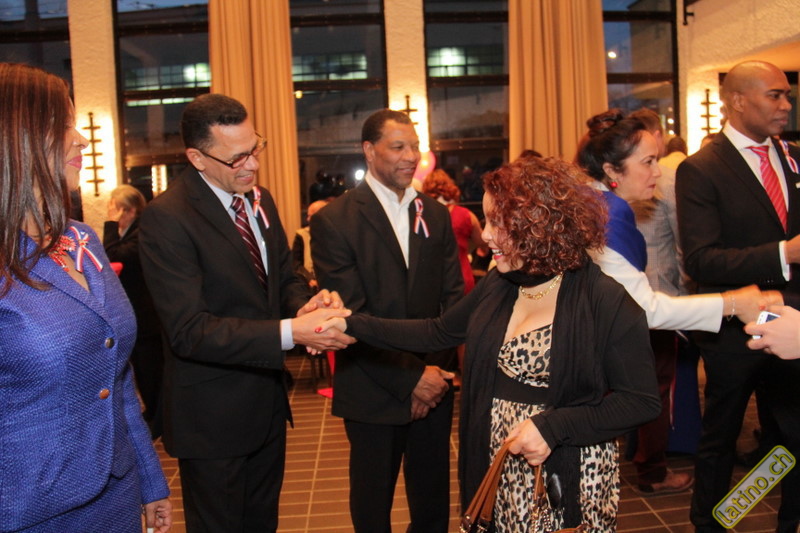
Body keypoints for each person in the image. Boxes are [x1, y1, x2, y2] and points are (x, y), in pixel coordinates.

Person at [318, 156, 661, 531]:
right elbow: (437, 331)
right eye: (486, 220)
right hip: (498, 465)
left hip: (565, 472)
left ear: (538, 224)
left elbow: (640, 401)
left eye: (498, 222)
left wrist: (554, 427)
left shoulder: (605, 301)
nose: (485, 234)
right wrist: (351, 323)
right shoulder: (501, 284)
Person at [138, 93, 354, 533]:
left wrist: (305, 304)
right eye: (237, 158)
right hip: (212, 417)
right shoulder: (168, 218)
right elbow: (189, 330)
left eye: (255, 148)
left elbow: (283, 278)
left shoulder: (259, 199)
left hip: (266, 404)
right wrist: (292, 331)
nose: (252, 164)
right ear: (197, 158)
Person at [0, 62, 171, 532]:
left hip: (116, 493)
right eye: (64, 125)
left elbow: (116, 375)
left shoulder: (81, 239)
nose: (81, 140)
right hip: (28, 512)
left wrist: (149, 478)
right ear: (16, 138)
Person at [576, 109, 765, 497]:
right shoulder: (608, 213)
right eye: (647, 162)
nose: (657, 172)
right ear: (612, 169)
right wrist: (731, 303)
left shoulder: (594, 203)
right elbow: (645, 309)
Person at [310, 109, 464, 533]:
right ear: (369, 150)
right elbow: (349, 316)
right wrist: (413, 378)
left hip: (435, 380)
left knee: (432, 504)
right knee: (372, 503)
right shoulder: (334, 220)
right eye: (398, 147)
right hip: (373, 383)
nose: (411, 156)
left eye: (414, 147)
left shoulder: (434, 214)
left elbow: (453, 300)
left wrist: (433, 374)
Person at [675, 60, 800, 533]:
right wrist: (783, 253)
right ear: (738, 101)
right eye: (775, 95)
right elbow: (702, 260)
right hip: (734, 330)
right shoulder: (701, 168)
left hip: (792, 323)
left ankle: (788, 519)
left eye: (787, 95)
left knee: (789, 436)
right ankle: (712, 523)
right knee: (721, 439)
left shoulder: (793, 158)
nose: (786, 105)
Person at [103, 184, 164, 438]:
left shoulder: (141, 233)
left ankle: (159, 420)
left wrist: (109, 225)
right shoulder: (128, 232)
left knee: (151, 370)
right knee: (142, 368)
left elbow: (111, 256)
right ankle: (153, 415)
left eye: (114, 207)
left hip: (148, 315)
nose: (110, 211)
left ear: (128, 210)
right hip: (137, 312)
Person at [422, 169, 487, 294]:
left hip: (433, 280)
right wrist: (482, 249)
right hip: (461, 277)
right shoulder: (466, 215)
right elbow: (482, 241)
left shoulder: (421, 217)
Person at [291, 198, 329, 291]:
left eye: (310, 216)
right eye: (307, 216)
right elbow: (295, 263)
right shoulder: (301, 235)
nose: (307, 219)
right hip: (309, 285)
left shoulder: (336, 235)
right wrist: (309, 279)